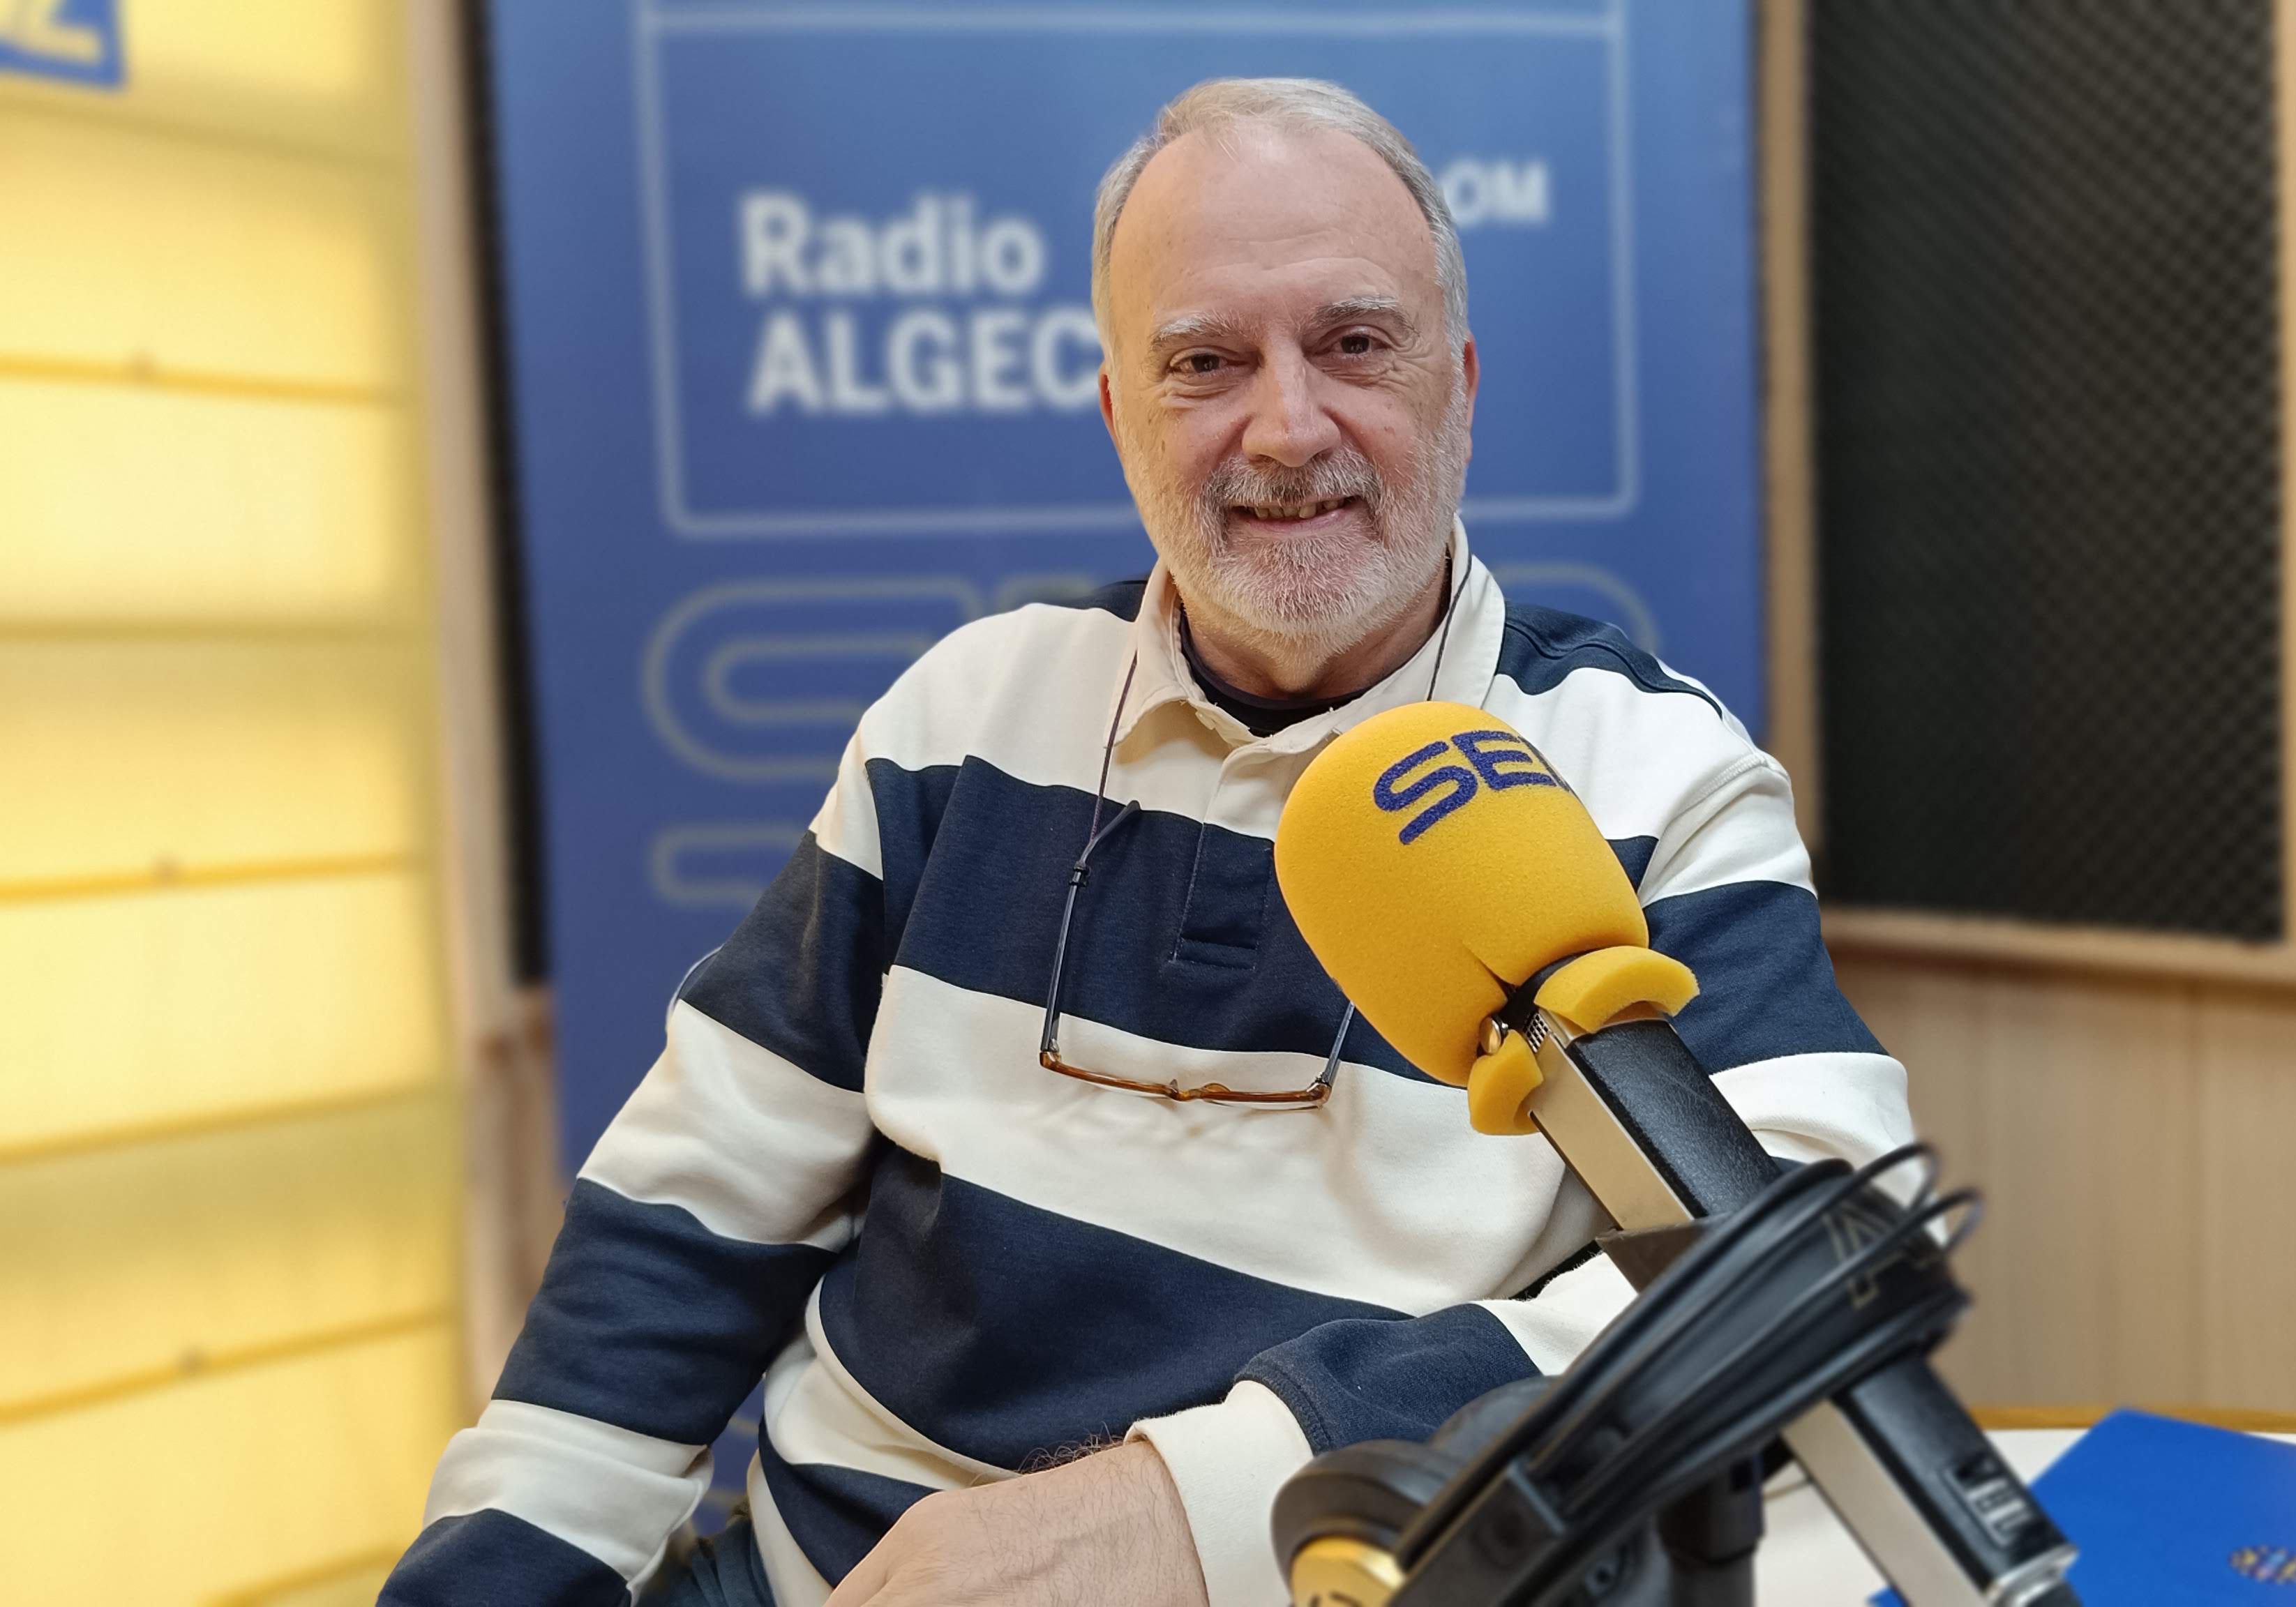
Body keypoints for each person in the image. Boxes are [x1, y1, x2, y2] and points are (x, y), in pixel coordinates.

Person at [381, 77, 1912, 1607]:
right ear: (1122, 415)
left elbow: (1816, 1261)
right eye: (1204, 362)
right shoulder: (963, 716)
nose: (1286, 424)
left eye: (1353, 344)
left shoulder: (1652, 775)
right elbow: (687, 1208)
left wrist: (1203, 1506)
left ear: (1459, 379)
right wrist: (503, 1563)